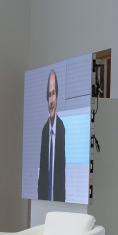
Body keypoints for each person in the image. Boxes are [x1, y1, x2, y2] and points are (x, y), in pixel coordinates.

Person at [34, 69, 68, 203]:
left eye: (53, 94)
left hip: (59, 204)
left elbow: (61, 175)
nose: (51, 101)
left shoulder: (61, 128)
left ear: (57, 97)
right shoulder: (44, 131)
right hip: (44, 203)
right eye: (49, 95)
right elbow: (42, 173)